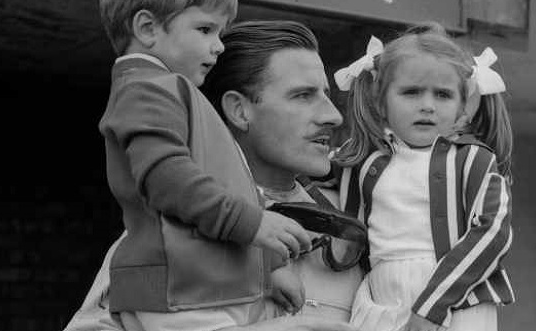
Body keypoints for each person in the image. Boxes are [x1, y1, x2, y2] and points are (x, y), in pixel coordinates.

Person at [64, 20, 360, 331]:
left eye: (325, 95)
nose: (333, 116)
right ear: (239, 110)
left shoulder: (357, 230)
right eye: (303, 95)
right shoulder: (165, 231)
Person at [96, 0, 311, 331]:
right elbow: (169, 181)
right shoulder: (147, 88)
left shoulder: (169, 90)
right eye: (206, 29)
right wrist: (253, 224)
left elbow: (211, 195)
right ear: (147, 27)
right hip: (181, 295)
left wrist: (267, 269)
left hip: (197, 291)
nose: (219, 46)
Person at [331, 22, 516, 331]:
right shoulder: (360, 159)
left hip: (459, 301)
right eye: (411, 92)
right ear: (380, 100)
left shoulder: (474, 160)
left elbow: (493, 233)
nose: (427, 106)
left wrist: (433, 306)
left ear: (463, 106)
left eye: (442, 95)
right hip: (380, 300)